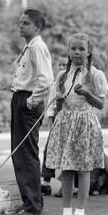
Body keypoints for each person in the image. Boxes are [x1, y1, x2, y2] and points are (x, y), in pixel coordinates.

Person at [46, 33, 108, 215]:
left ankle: (79, 214)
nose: (77, 52)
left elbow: (100, 104)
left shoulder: (95, 75)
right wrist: (55, 107)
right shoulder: (62, 75)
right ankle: (66, 213)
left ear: (89, 52)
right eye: (73, 48)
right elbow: (57, 102)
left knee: (83, 169)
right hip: (65, 122)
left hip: (84, 123)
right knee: (66, 169)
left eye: (81, 49)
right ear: (68, 51)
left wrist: (87, 94)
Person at [4, 9, 53, 215]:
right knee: (18, 153)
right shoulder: (29, 47)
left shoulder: (38, 47)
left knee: (27, 155)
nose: (20, 26)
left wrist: (31, 101)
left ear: (37, 27)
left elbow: (46, 79)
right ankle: (28, 202)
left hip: (27, 102)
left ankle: (33, 207)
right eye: (20, 22)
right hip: (20, 98)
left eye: (26, 23)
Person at [41, 57, 69, 196]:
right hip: (56, 119)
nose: (63, 67)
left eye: (65, 65)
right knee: (49, 150)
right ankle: (46, 182)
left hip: (70, 120)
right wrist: (51, 121)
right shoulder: (55, 84)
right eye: (61, 65)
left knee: (67, 153)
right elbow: (51, 105)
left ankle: (67, 185)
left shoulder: (72, 82)